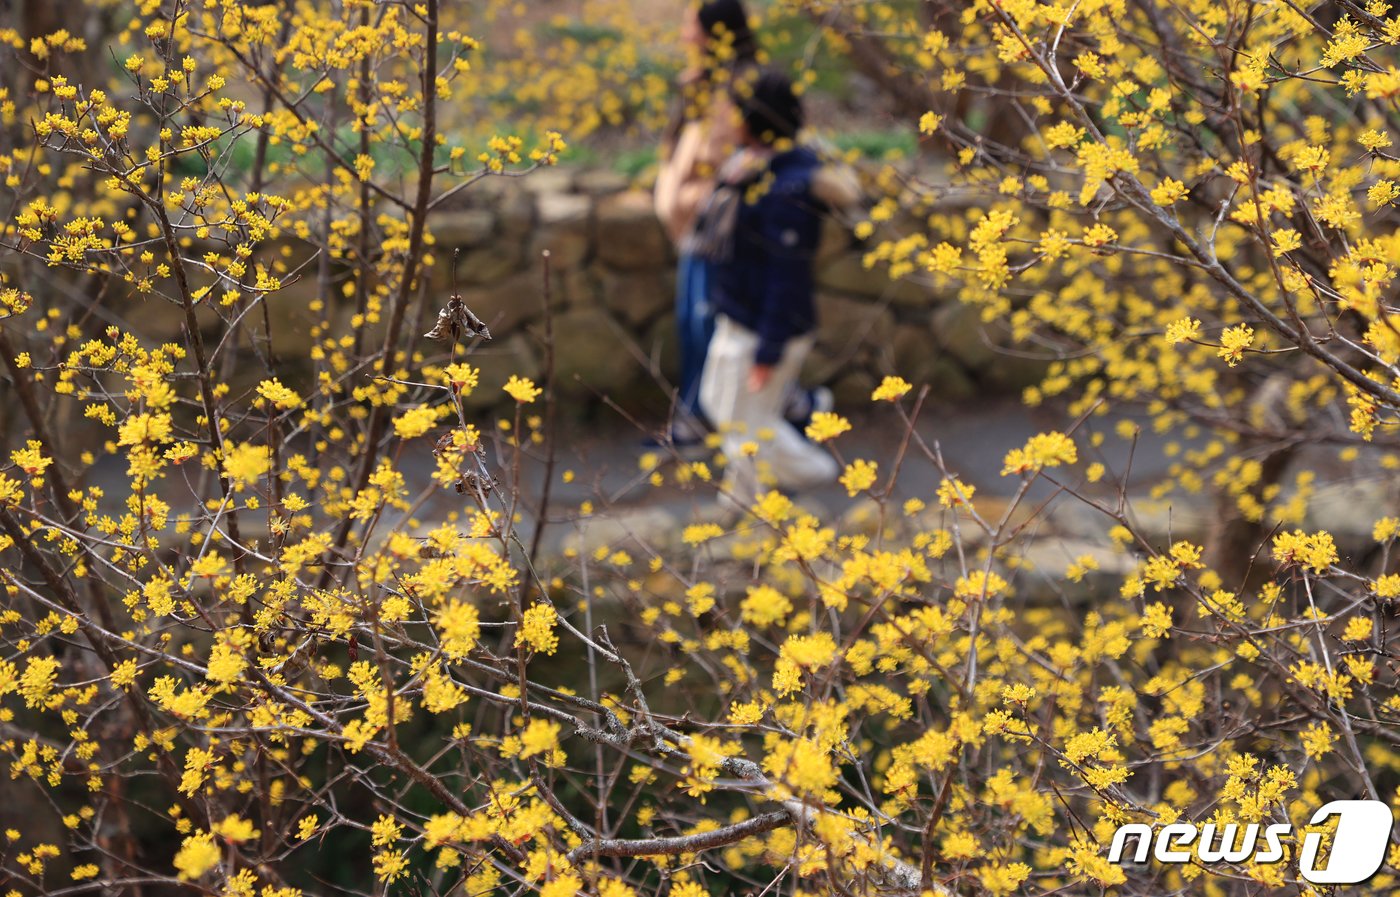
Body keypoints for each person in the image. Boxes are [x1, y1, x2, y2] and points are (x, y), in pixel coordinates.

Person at [697, 68, 841, 509]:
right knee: (720, 408)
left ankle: (808, 476)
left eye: (736, 111)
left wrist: (768, 351)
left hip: (764, 326)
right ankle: (748, 494)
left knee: (746, 426)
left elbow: (787, 276)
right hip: (739, 314)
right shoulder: (753, 166)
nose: (727, 119)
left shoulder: (787, 187)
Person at [653, 0, 758, 446]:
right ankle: (700, 416)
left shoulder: (743, 87)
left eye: (691, 26)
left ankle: (706, 418)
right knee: (692, 324)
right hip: (694, 229)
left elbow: (731, 158)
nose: (684, 34)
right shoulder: (699, 85)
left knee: (709, 325)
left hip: (722, 229)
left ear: (716, 33)